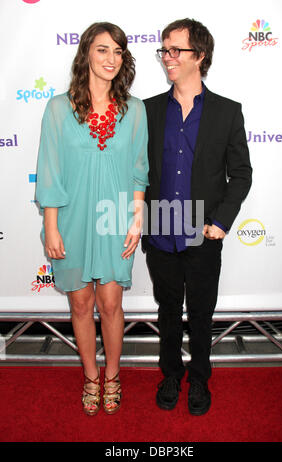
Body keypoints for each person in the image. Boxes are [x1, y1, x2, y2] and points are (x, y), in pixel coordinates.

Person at [36, 22, 149, 416]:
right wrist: (51, 225)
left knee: (111, 303)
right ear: (86, 53)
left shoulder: (135, 110)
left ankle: (113, 376)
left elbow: (139, 169)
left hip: (116, 217)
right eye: (103, 50)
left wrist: (136, 217)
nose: (111, 59)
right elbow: (49, 170)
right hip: (69, 217)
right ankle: (90, 377)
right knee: (81, 305)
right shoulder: (57, 107)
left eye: (118, 52)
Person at [142, 18, 252, 415]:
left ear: (199, 55)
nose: (168, 58)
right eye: (164, 50)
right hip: (160, 233)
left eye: (176, 50)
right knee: (168, 310)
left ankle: (200, 379)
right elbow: (139, 170)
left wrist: (222, 221)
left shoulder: (226, 112)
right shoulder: (148, 110)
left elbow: (241, 174)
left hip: (204, 236)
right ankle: (170, 373)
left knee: (202, 313)